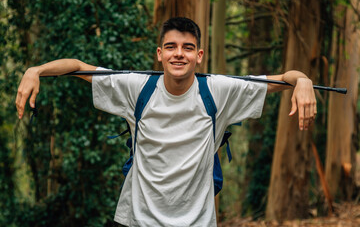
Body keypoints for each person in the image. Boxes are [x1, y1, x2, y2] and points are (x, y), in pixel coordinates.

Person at [16, 17, 316, 226]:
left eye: (187, 48)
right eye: (171, 47)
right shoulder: (136, 87)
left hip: (197, 221)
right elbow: (79, 67)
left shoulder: (219, 90)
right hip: (139, 219)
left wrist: (302, 80)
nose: (178, 54)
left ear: (199, 56)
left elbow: (284, 79)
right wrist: (36, 70)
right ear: (160, 54)